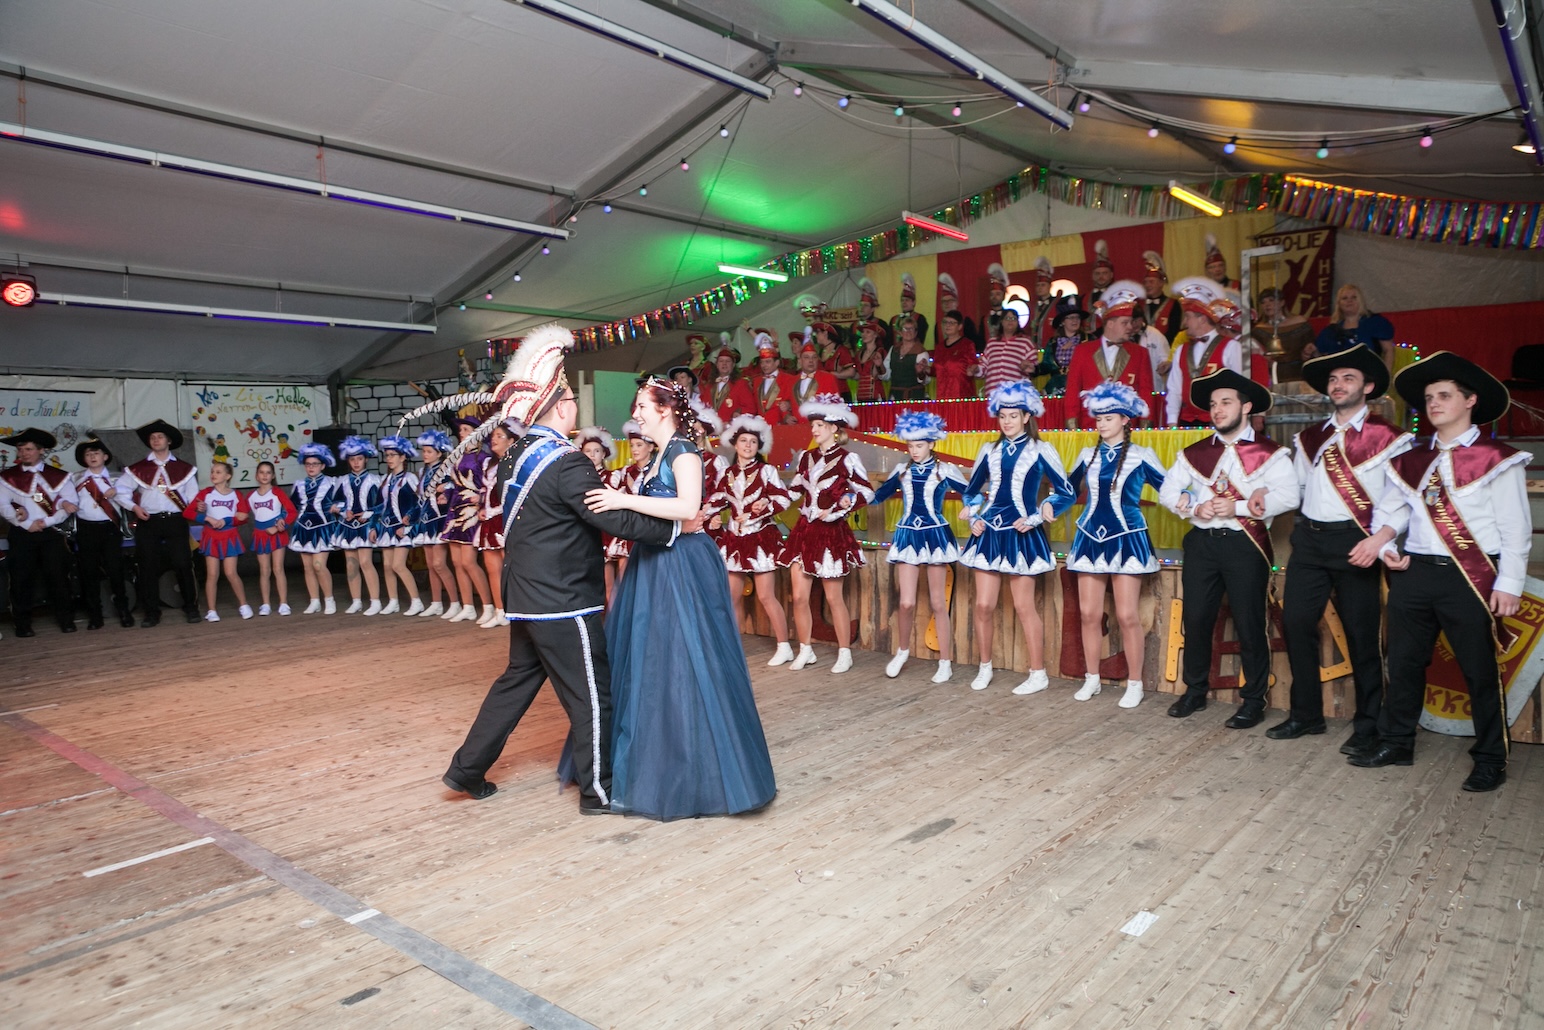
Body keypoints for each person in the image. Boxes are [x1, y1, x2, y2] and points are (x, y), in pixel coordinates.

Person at [443, 325, 685, 812]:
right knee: (593, 696)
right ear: (558, 407)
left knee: (515, 684)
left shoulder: (515, 456)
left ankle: (466, 769)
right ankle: (598, 792)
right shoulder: (567, 462)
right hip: (564, 600)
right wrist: (674, 528)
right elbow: (607, 515)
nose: (575, 404)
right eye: (571, 397)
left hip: (525, 595)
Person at [578, 377, 776, 820]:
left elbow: (688, 507)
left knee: (686, 659)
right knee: (652, 660)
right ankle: (653, 761)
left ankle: (697, 771)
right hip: (653, 561)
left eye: (642, 406)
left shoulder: (684, 451)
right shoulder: (658, 455)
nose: (636, 414)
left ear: (665, 409)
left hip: (681, 564)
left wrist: (621, 499)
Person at [1348, 352, 1531, 792]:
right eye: (1429, 398)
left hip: (1468, 577)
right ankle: (1397, 742)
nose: (1434, 404)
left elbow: (1515, 529)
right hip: (1414, 573)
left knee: (1479, 671)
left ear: (1470, 401)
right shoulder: (1412, 460)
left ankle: (1491, 758)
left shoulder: (1497, 458)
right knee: (1404, 663)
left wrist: (1510, 583)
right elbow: (1391, 513)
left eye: (1444, 396)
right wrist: (1386, 547)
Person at [1267, 348, 1413, 754]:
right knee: (1295, 624)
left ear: (1368, 387)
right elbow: (1294, 490)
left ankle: (1368, 724)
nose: (1338, 385)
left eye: (1348, 378)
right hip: (1310, 542)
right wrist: (1261, 496)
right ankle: (1306, 715)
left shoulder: (1390, 438)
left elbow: (1404, 500)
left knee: (1362, 636)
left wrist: (1381, 541)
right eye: (1333, 379)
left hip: (1357, 542)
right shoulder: (1309, 438)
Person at [1159, 370, 1300, 727]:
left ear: (1246, 407)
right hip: (1202, 544)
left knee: (1250, 622)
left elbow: (1290, 496)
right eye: (1213, 405)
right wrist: (1194, 507)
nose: (1217, 410)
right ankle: (1195, 691)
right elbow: (1167, 491)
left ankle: (1253, 700)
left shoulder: (1270, 453)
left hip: (1245, 544)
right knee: (1196, 618)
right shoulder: (1195, 453)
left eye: (1225, 402)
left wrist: (1235, 507)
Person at [959, 380, 1077, 694]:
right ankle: (985, 667)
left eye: (1014, 415)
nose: (1007, 421)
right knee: (983, 605)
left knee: (1024, 607)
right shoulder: (989, 449)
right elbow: (972, 492)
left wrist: (1038, 515)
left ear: (1027, 416)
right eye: (1003, 416)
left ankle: (1038, 673)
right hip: (988, 533)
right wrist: (974, 516)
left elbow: (1066, 492)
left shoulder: (1041, 449)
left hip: (1021, 534)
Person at [1066, 384, 1168, 708]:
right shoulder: (1087, 455)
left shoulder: (1142, 455)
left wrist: (1188, 499)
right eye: (1098, 419)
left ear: (1125, 419)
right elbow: (1066, 492)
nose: (1101, 424)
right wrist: (1044, 507)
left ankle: (1135, 683)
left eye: (1108, 418)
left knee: (1126, 615)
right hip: (1090, 538)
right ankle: (1092, 678)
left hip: (1127, 539)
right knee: (1088, 614)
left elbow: (1169, 488)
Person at [871, 410, 969, 684]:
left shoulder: (944, 470)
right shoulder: (901, 470)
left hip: (935, 535)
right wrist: (852, 499)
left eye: (919, 445)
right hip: (907, 536)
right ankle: (902, 651)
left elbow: (971, 493)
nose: (914, 450)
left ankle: (945, 661)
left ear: (931, 444)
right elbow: (880, 495)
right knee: (906, 602)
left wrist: (971, 508)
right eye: (910, 445)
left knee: (938, 602)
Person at [779, 393, 874, 673]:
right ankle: (805, 649)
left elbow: (866, 492)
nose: (814, 429)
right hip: (804, 531)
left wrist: (842, 505)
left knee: (834, 597)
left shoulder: (848, 458)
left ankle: (845, 652)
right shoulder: (806, 457)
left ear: (834, 428)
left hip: (831, 533)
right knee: (799, 597)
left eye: (820, 425)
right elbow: (795, 490)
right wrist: (769, 500)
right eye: (813, 425)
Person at [714, 414, 794, 667]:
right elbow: (716, 500)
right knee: (732, 596)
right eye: (743, 441)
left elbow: (783, 499)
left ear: (759, 446)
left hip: (760, 538)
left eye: (753, 442)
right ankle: (735, 649)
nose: (748, 445)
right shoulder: (727, 473)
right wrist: (709, 514)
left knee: (766, 596)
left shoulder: (766, 470)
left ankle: (784, 646)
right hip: (734, 538)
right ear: (735, 444)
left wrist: (764, 505)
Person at [115, 419, 201, 627]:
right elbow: (120, 491)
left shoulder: (184, 468)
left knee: (183, 563)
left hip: (176, 520)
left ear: (168, 441)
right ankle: (151, 612)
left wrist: (198, 507)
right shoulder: (138, 468)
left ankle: (191, 607)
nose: (155, 440)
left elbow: (193, 496)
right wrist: (134, 508)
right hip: (149, 521)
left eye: (160, 436)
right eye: (152, 437)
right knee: (147, 567)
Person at [0, 428, 79, 635]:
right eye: (20, 449)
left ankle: (66, 620)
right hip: (22, 533)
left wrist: (46, 522)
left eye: (28, 449)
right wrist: (26, 525)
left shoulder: (59, 476)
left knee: (58, 577)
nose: (24, 453)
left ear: (41, 450)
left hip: (50, 533)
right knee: (21, 579)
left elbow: (69, 503)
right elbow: (3, 504)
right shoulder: (7, 477)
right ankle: (22, 624)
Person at [1064, 281, 1156, 429]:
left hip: (1127, 428)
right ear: (1110, 324)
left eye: (1131, 322)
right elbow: (1072, 390)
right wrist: (1072, 424)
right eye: (1125, 323)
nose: (1130, 327)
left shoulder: (1140, 353)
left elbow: (1146, 392)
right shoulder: (1082, 351)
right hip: (1090, 427)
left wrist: (1146, 426)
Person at [1164, 277, 1247, 426]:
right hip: (1187, 421)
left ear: (1202, 319)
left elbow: (1238, 388)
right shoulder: (1181, 349)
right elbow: (1174, 389)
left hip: (1219, 422)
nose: (1184, 323)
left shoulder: (1231, 347)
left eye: (1187, 317)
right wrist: (1172, 421)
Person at [71, 437, 135, 629]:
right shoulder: (75, 478)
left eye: (96, 453)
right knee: (89, 573)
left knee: (116, 571)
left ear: (105, 456)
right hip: (86, 528)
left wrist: (117, 492)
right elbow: (67, 500)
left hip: (110, 529)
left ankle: (124, 611)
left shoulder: (118, 479)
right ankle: (95, 615)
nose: (92, 457)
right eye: (88, 454)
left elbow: (129, 498)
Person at [440, 418, 496, 626]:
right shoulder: (458, 456)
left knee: (468, 562)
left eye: (466, 429)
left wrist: (480, 498)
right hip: (455, 509)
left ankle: (488, 606)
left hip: (472, 511)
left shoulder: (483, 457)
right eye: (461, 430)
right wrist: (446, 494)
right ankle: (468, 607)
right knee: (456, 562)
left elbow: (490, 485)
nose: (461, 432)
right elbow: (455, 484)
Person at [183, 460, 252, 622]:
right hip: (211, 536)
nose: (213, 474)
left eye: (218, 472)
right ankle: (212, 610)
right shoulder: (205, 493)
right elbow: (187, 513)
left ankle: (244, 605)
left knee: (230, 572)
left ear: (228, 476)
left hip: (229, 536)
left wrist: (227, 520)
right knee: (212, 574)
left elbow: (243, 517)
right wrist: (206, 518)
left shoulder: (236, 495)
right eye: (212, 472)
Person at [474, 420, 521, 628]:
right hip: (489, 521)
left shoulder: (516, 465)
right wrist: (481, 508)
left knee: (511, 568)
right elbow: (485, 492)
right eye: (493, 436)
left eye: (499, 436)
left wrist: (495, 510)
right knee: (492, 568)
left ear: (511, 441)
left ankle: (515, 610)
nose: (494, 439)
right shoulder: (488, 464)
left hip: (506, 520)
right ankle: (499, 610)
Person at [371, 437, 423, 615]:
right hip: (387, 527)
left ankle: (416, 601)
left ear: (403, 457)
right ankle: (393, 601)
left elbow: (420, 503)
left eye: (393, 455)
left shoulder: (410, 478)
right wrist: (373, 526)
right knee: (387, 566)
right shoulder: (386, 479)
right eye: (387, 455)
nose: (389, 459)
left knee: (398, 565)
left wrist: (409, 520)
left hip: (402, 528)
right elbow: (379, 506)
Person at [333, 435, 383, 616]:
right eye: (352, 459)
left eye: (359, 459)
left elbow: (381, 504)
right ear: (348, 460)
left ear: (366, 459)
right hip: (348, 525)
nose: (356, 463)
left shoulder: (374, 480)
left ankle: (375, 601)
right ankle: (356, 601)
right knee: (351, 564)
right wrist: (343, 511)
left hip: (366, 525)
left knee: (365, 562)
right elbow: (336, 502)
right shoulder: (343, 481)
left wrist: (368, 515)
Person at [288, 442, 339, 615]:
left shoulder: (332, 483)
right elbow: (292, 506)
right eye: (308, 464)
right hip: (303, 528)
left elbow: (343, 501)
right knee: (308, 567)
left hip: (323, 528)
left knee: (318, 566)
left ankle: (329, 599)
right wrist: (281, 519)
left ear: (323, 465)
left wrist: (338, 507)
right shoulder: (299, 485)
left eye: (315, 464)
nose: (311, 467)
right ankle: (314, 601)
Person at [411, 429, 456, 617]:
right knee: (430, 565)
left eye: (429, 451)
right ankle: (436, 603)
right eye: (424, 451)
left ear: (439, 453)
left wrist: (446, 489)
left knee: (439, 564)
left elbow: (456, 485)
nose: (425, 454)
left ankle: (455, 603)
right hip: (426, 521)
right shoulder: (423, 471)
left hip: (439, 520)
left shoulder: (446, 468)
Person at [575, 425, 620, 603]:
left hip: (605, 534)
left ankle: (612, 619)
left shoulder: (612, 476)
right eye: (588, 451)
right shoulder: (576, 479)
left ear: (604, 454)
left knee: (609, 585)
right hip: (581, 535)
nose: (592, 455)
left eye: (597, 451)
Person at [247, 459, 297, 616]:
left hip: (276, 535)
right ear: (256, 475)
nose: (264, 475)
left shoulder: (277, 492)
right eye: (261, 472)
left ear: (273, 475)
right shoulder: (251, 496)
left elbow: (292, 512)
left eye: (268, 472)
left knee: (278, 568)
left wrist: (279, 526)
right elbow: (241, 513)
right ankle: (266, 604)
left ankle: (283, 603)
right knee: (264, 570)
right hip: (260, 535)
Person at [605, 421, 653, 585]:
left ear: (650, 447)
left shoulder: (658, 470)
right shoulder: (625, 472)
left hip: (651, 529)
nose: (634, 449)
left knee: (649, 581)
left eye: (639, 445)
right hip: (629, 529)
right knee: (625, 581)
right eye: (632, 445)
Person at [1306, 284, 1395, 368]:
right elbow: (1322, 357)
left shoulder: (1375, 322)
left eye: (1354, 297)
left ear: (1361, 301)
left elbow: (1388, 350)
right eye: (1344, 298)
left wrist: (1385, 375)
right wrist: (1313, 351)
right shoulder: (1331, 330)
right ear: (1339, 304)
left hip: (1369, 373)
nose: (1349, 301)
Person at [1250, 287, 1313, 383]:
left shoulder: (1300, 323)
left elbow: (1312, 345)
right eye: (1263, 302)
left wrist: (1309, 350)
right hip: (1273, 374)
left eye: (1271, 300)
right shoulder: (1258, 330)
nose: (1267, 305)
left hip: (1299, 372)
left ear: (1282, 302)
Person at [1040, 294, 1092, 395]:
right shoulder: (1053, 342)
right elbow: (1046, 366)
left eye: (1077, 317)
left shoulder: (1089, 340)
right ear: (1062, 321)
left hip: (1081, 388)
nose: (1075, 320)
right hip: (1055, 389)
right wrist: (1033, 369)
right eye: (1071, 317)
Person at [980, 307, 1040, 393]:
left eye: (1014, 319)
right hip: (993, 393)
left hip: (1016, 393)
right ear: (1001, 322)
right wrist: (976, 369)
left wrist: (1029, 367)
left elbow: (1035, 368)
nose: (1010, 321)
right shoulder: (992, 342)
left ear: (1018, 322)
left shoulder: (1026, 342)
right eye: (1007, 318)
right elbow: (983, 367)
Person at [931, 307, 981, 400]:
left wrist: (973, 369)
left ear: (960, 326)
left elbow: (974, 366)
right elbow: (934, 371)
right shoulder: (939, 347)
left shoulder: (967, 344)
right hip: (942, 397)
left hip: (961, 396)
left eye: (951, 323)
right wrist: (924, 369)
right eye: (945, 322)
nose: (947, 325)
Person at [747, 334, 798, 424]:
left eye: (768, 362)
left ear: (777, 363)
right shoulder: (756, 381)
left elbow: (793, 402)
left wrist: (788, 407)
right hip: (760, 426)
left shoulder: (789, 379)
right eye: (762, 362)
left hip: (780, 426)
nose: (764, 365)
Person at [700, 344, 756, 424]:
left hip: (731, 427)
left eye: (728, 361)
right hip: (712, 428)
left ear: (733, 365)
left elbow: (751, 408)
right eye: (721, 361)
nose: (724, 363)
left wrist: (737, 413)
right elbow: (703, 407)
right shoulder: (710, 385)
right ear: (717, 365)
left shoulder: (741, 383)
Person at [1140, 250, 1184, 344]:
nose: (1147, 285)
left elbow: (1174, 332)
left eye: (1151, 282)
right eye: (1145, 282)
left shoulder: (1173, 304)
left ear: (1161, 283)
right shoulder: (1139, 304)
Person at [791, 340, 843, 415]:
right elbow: (785, 403)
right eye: (806, 357)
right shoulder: (792, 380)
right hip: (797, 422)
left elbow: (836, 405)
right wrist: (787, 415)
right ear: (800, 361)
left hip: (820, 421)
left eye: (814, 357)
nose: (811, 361)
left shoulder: (828, 378)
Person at [887, 317, 931, 402]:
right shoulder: (893, 349)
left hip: (914, 396)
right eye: (905, 329)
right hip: (895, 396)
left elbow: (926, 380)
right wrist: (879, 366)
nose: (908, 331)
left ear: (916, 332)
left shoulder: (921, 352)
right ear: (900, 332)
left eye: (911, 329)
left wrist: (920, 373)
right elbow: (886, 375)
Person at [852, 318, 890, 403]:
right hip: (861, 394)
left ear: (875, 335)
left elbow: (883, 374)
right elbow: (858, 375)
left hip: (876, 394)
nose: (864, 335)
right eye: (863, 332)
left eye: (868, 332)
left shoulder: (881, 352)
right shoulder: (859, 354)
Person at [890, 272, 929, 345]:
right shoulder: (894, 319)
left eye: (907, 300)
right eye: (902, 300)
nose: (904, 303)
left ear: (914, 302)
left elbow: (920, 340)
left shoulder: (920, 319)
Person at [984, 262, 1010, 342]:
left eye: (998, 294)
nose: (994, 297)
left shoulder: (1009, 316)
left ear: (1004, 296)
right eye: (992, 294)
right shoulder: (985, 319)